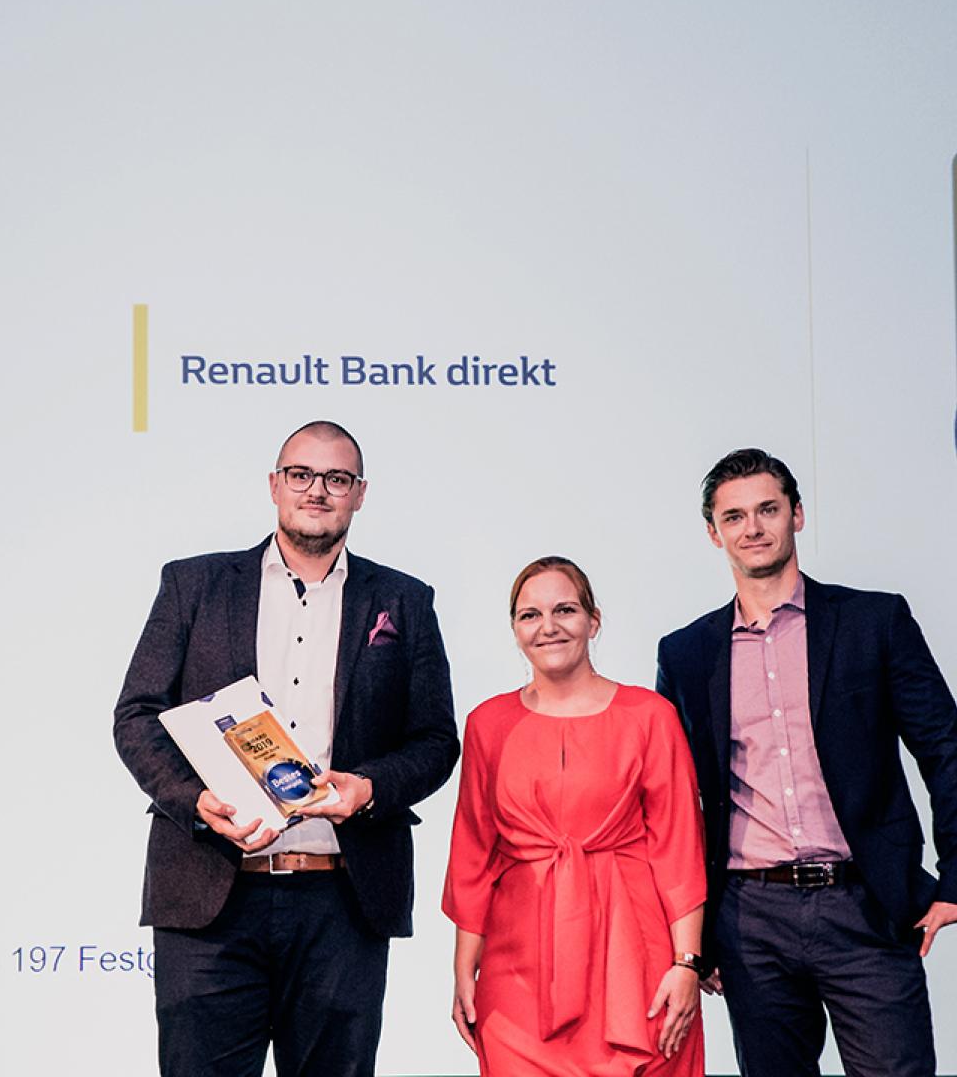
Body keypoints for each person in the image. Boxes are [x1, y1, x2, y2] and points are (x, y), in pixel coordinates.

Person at [113, 420, 459, 1077]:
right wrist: (194, 800)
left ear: (360, 494)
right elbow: (137, 716)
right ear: (275, 485)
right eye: (301, 475)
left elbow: (436, 741)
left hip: (342, 900)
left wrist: (370, 789)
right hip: (210, 895)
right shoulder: (194, 584)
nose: (317, 490)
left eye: (337, 478)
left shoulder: (404, 600)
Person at [657, 447, 957, 1077]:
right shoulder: (686, 653)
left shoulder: (874, 621)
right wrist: (691, 936)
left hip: (866, 906)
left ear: (797, 514)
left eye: (767, 509)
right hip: (749, 919)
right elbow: (674, 804)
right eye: (734, 516)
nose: (753, 527)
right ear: (713, 533)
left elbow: (945, 748)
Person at [443, 556, 707, 1076]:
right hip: (517, 969)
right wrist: (463, 971)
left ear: (594, 620)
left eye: (564, 610)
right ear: (515, 630)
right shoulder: (486, 724)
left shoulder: (650, 716)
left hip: (634, 959)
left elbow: (679, 848)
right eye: (530, 615)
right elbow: (473, 855)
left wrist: (686, 963)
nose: (548, 626)